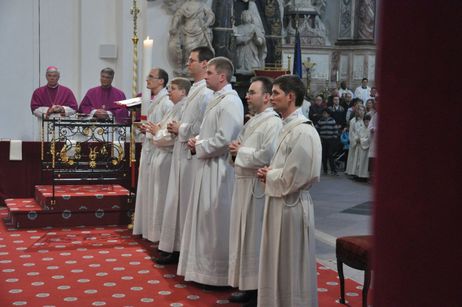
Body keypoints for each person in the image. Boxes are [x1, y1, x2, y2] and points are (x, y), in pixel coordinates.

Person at [178, 57, 243, 286]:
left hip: (220, 170)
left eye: (210, 73)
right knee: (205, 219)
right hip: (207, 165)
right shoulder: (218, 99)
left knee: (214, 221)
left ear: (222, 77)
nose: (205, 76)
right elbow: (211, 131)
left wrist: (199, 145)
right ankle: (202, 271)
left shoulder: (230, 102)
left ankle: (216, 275)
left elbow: (226, 139)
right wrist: (199, 139)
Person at [256, 75, 321, 307]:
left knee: (291, 264)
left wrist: (268, 175)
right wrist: (271, 172)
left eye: (275, 93)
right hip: (279, 203)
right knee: (277, 262)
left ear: (291, 97)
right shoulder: (287, 127)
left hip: (292, 206)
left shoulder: (303, 131)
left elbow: (300, 175)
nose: (271, 98)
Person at [157, 47, 214, 264]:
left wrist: (181, 128)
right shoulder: (197, 90)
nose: (188, 63)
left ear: (205, 64)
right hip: (182, 151)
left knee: (186, 203)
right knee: (178, 201)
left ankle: (182, 249)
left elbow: (203, 126)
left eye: (192, 60)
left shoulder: (207, 93)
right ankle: (175, 246)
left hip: (192, 153)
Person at [228, 76, 282, 305]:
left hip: (256, 186)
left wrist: (240, 151)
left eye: (252, 92)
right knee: (242, 236)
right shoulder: (253, 121)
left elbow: (266, 155)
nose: (247, 96)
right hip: (242, 182)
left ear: (267, 97)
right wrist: (236, 151)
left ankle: (257, 287)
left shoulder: (273, 123)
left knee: (254, 237)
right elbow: (238, 146)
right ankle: (246, 283)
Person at [144, 78, 190, 245]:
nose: (169, 91)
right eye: (169, 88)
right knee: (158, 196)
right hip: (162, 154)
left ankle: (164, 239)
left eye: (173, 89)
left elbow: (170, 134)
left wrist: (156, 133)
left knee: (163, 198)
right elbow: (162, 128)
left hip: (169, 156)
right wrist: (154, 131)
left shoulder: (182, 107)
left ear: (183, 92)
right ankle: (158, 236)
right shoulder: (175, 107)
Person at [132, 68, 173, 241]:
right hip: (150, 148)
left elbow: (166, 129)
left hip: (160, 150)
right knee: (147, 191)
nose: (147, 80)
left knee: (157, 193)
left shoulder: (167, 102)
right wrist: (145, 129)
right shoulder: (153, 100)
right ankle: (147, 229)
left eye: (151, 77)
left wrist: (151, 131)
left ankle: (156, 233)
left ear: (161, 81)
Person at [168, 0, 215, 76]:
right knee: (189, 48)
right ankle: (188, 67)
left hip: (200, 30)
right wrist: (174, 26)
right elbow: (178, 15)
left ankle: (200, 67)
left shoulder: (202, 5)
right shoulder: (187, 5)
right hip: (188, 30)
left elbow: (211, 15)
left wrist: (206, 24)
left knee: (200, 51)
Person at [316, 108, 339, 175]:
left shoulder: (332, 120)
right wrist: (319, 137)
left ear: (328, 114)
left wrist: (335, 136)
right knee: (324, 155)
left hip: (331, 140)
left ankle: (333, 170)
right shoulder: (320, 121)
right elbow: (316, 128)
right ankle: (325, 169)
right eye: (323, 113)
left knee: (330, 155)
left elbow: (335, 129)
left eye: (326, 113)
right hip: (323, 140)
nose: (324, 114)